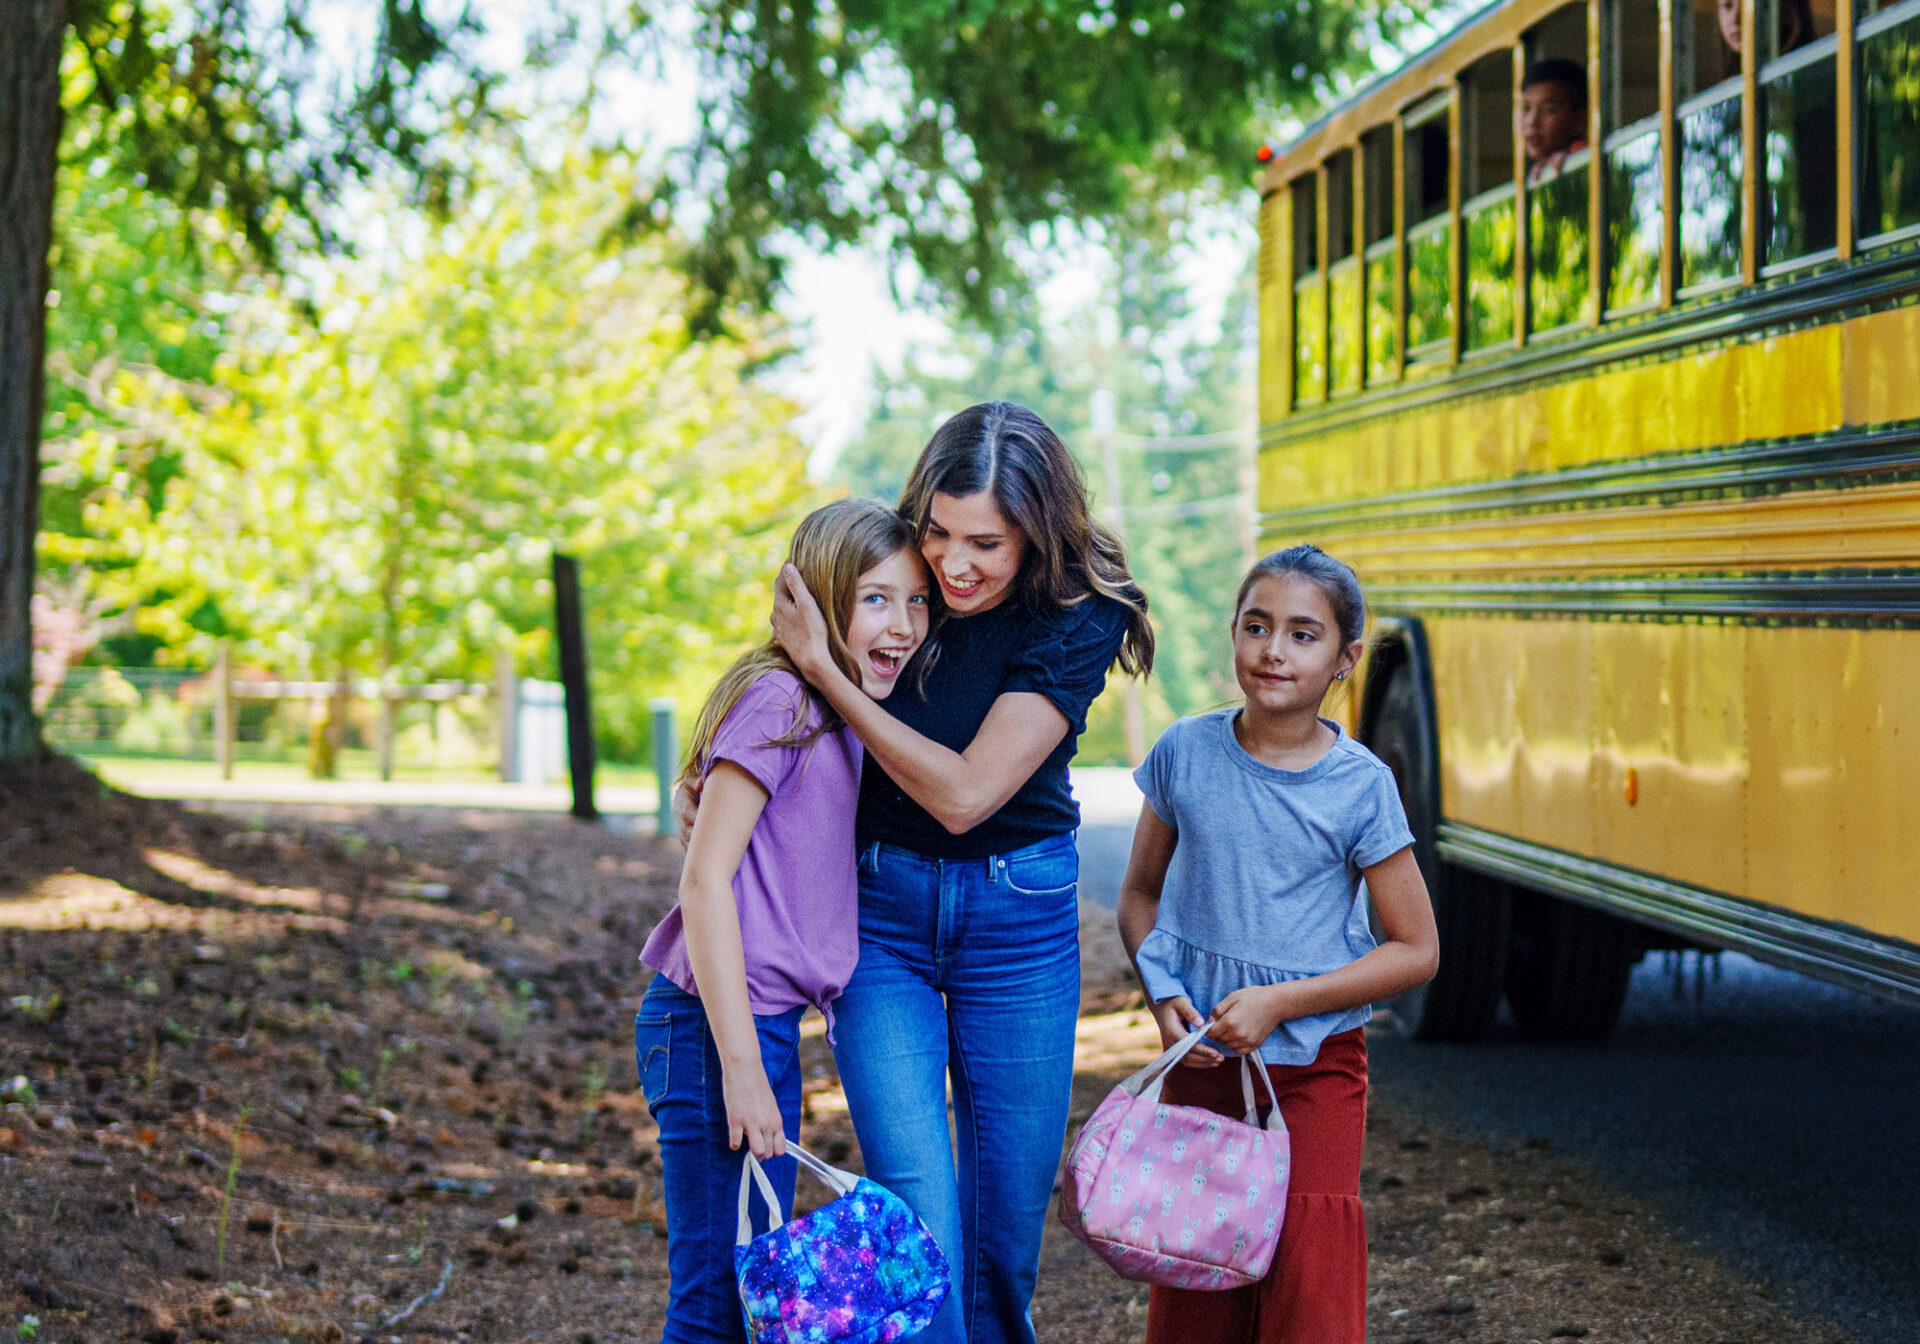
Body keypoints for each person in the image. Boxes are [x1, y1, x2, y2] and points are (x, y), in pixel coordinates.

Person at [750, 401, 1154, 1344]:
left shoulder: (1076, 616)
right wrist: (712, 787)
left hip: (1019, 919)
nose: (954, 564)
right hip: (880, 915)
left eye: (986, 543)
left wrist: (833, 677)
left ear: (1037, 537)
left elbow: (969, 795)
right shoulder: (894, 579)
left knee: (1002, 1236)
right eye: (937, 532)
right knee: (919, 1218)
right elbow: (772, 698)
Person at [1116, 543, 1441, 1344]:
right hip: (1204, 1058)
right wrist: (1164, 999)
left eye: (1303, 634)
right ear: (1231, 633)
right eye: (1257, 626)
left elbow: (1415, 949)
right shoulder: (1185, 753)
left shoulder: (1361, 785)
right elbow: (1139, 896)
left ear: (1345, 659)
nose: (1273, 650)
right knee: (1202, 1278)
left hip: (1315, 1066)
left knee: (1307, 1292)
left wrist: (1282, 1002)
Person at [635, 497, 929, 1343]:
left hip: (758, 1029)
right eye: (876, 598)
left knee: (750, 1283)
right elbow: (705, 882)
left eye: (915, 601)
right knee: (715, 1296)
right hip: (711, 1029)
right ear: (819, 600)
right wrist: (739, 1068)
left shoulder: (843, 716)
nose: (902, 624)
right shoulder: (782, 701)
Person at [1521, 57, 1589, 183]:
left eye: (1549, 110)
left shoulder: (1583, 154)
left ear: (1580, 120)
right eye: (1526, 109)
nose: (1531, 121)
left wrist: (1574, 162)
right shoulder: (1544, 166)